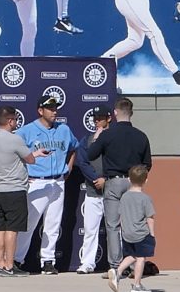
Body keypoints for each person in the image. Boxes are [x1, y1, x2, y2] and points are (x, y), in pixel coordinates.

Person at [14, 95, 79, 275]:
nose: (54, 111)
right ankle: (17, 260)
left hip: (57, 181)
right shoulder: (26, 131)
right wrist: (22, 175)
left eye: (55, 108)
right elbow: (13, 152)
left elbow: (74, 147)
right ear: (40, 110)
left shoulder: (64, 129)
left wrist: (69, 168)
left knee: (53, 224)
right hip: (37, 181)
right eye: (50, 108)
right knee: (29, 224)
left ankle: (48, 261)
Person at [87, 97, 152, 275]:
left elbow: (91, 154)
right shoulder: (141, 135)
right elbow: (147, 163)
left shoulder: (107, 134)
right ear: (131, 113)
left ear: (115, 113)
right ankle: (134, 264)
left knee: (113, 226)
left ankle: (116, 267)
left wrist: (96, 138)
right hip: (134, 182)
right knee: (135, 224)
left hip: (114, 182)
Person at [0, 105, 50, 277]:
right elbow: (29, 159)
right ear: (10, 121)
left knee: (1, 227)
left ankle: (0, 264)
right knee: (12, 230)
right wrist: (35, 155)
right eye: (15, 119)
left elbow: (16, 158)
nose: (16, 122)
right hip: (14, 190)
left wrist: (33, 154)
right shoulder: (14, 139)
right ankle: (10, 266)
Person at [75, 104, 112, 275]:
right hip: (92, 191)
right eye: (95, 119)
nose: (97, 121)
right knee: (90, 230)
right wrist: (95, 178)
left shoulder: (114, 138)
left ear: (109, 118)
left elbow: (118, 162)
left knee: (116, 230)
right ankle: (87, 263)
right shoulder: (86, 139)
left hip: (112, 192)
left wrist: (106, 178)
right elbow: (82, 162)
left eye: (101, 119)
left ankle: (118, 265)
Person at [107, 164, 156, 292]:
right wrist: (152, 233)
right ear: (146, 180)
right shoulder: (145, 198)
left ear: (129, 179)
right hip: (141, 233)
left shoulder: (124, 197)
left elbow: (120, 214)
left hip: (127, 233)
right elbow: (150, 217)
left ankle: (117, 272)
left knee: (132, 255)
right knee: (141, 258)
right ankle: (137, 285)